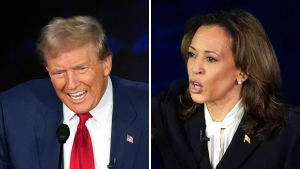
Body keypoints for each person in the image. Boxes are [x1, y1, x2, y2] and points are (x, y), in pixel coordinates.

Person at [152, 9, 300, 169]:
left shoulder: (290, 132)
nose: (195, 68)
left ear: (243, 71)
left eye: (210, 58)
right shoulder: (167, 111)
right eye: (192, 55)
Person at [0, 16, 149, 169]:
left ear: (106, 64)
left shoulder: (149, 108)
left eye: (81, 69)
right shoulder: (12, 111)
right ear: (48, 72)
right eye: (59, 73)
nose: (71, 84)